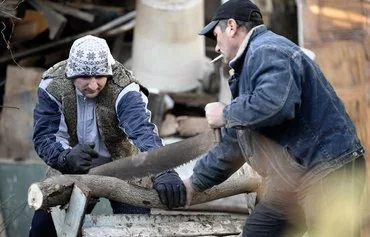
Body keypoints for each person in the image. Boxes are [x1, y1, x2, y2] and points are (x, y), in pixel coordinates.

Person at [181, 0, 367, 236]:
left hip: (326, 172)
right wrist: (193, 183)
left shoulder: (267, 50)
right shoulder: (249, 67)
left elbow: (275, 104)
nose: (216, 48)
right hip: (291, 179)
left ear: (231, 26)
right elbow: (234, 145)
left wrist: (225, 113)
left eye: (215, 36)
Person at [29, 35, 186, 236]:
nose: (93, 85)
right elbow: (45, 137)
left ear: (109, 73)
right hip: (72, 166)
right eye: (85, 77)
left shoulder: (124, 86)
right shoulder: (52, 85)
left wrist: (164, 170)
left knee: (135, 230)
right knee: (43, 230)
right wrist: (64, 158)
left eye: (100, 76)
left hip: (125, 167)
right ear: (71, 74)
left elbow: (142, 131)